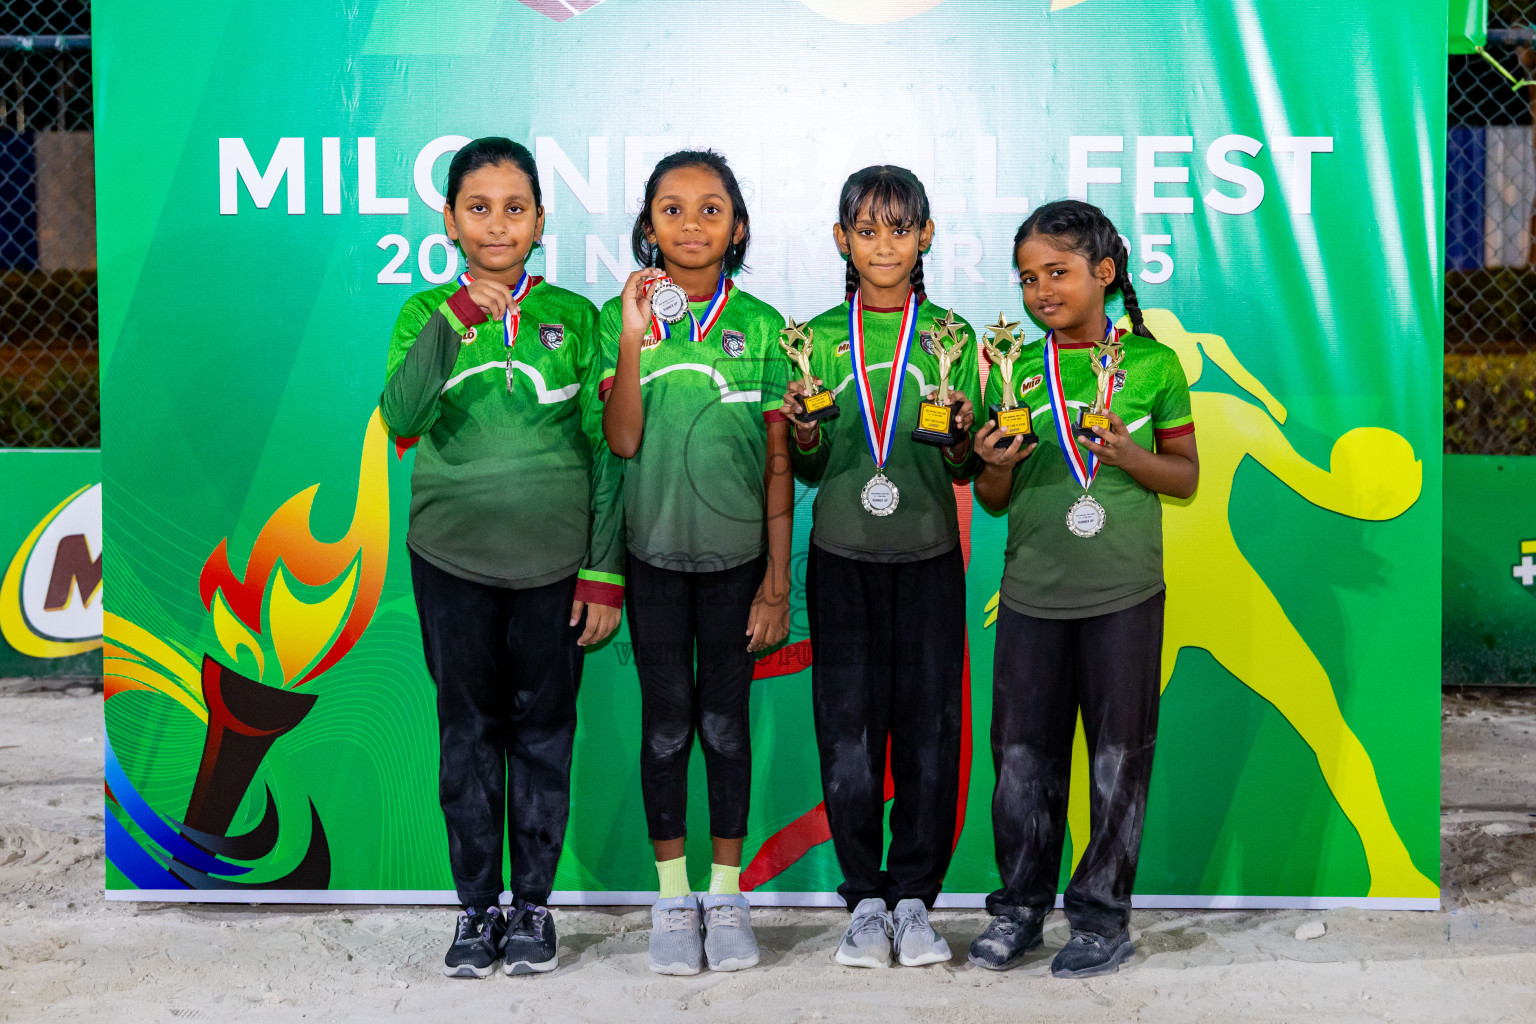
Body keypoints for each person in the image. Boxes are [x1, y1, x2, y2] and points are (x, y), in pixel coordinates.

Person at [379, 137, 624, 979]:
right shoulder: (423, 314)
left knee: (545, 735)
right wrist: (455, 320)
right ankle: (475, 909)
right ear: (449, 220)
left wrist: (601, 570)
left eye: (514, 208)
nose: (497, 224)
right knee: (468, 733)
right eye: (478, 208)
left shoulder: (577, 318)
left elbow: (605, 451)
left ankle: (534, 909)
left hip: (556, 571)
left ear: (540, 221)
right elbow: (401, 415)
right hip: (450, 561)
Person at [967, 198, 1198, 978]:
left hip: (1125, 594)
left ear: (1104, 273)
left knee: (1116, 760)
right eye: (1029, 279)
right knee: (1023, 761)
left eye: (1057, 273)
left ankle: (1101, 918)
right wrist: (994, 463)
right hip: (1032, 593)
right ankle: (1020, 910)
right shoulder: (1012, 368)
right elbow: (993, 499)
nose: (1040, 293)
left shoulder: (1155, 366)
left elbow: (1187, 478)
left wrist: (1130, 455)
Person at [781, 164, 979, 969]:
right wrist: (800, 431)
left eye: (901, 229)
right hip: (842, 562)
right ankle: (865, 899)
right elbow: (806, 464)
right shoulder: (815, 339)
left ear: (926, 236)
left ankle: (916, 903)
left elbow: (968, 468)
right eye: (867, 230)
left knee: (930, 735)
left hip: (928, 556)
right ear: (842, 241)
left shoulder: (959, 339)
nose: (884, 244)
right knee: (849, 733)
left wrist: (966, 433)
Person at [600, 150, 793, 975]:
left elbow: (782, 464)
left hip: (736, 567)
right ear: (648, 227)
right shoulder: (625, 316)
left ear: (738, 226)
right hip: (652, 564)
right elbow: (622, 441)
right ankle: (673, 897)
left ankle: (725, 892)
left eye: (710, 208)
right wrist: (637, 338)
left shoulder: (767, 329)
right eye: (671, 209)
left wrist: (778, 583)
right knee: (667, 726)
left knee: (724, 726)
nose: (690, 223)